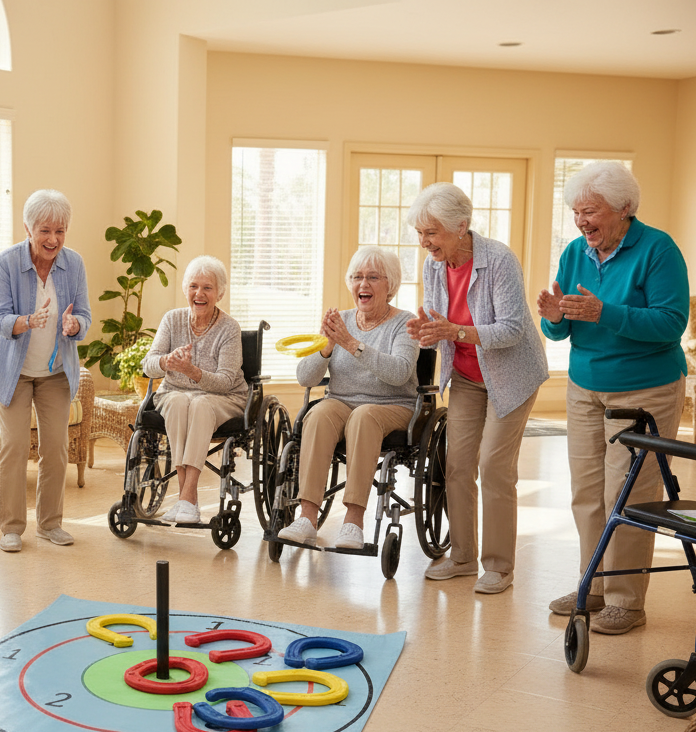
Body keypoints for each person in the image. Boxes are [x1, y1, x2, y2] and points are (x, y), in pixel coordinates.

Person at [539, 161, 689, 634]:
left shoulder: (658, 249)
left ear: (624, 209)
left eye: (591, 211)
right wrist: (553, 317)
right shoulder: (575, 252)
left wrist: (606, 312)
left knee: (628, 492)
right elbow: (559, 329)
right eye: (577, 212)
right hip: (585, 386)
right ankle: (595, 584)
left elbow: (670, 322)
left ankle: (627, 598)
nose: (582, 222)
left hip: (646, 387)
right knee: (586, 491)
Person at [405, 183, 549, 595]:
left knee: (494, 466)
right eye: (420, 233)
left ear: (461, 226)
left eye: (431, 233)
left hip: (511, 375)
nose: (424, 242)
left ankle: (500, 566)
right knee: (457, 463)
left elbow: (511, 329)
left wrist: (456, 330)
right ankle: (463, 557)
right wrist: (427, 332)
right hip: (467, 375)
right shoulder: (434, 266)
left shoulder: (499, 260)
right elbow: (438, 322)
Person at [276, 246, 418, 549]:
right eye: (357, 277)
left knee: (363, 416)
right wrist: (327, 346)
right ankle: (306, 517)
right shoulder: (340, 320)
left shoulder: (404, 323)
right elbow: (306, 378)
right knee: (319, 413)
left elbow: (400, 373)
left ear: (390, 285)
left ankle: (353, 522)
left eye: (373, 277)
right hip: (342, 401)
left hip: (392, 406)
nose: (362, 284)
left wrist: (352, 344)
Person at [0, 190, 92, 553]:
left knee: (56, 448)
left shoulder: (73, 264)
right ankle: (12, 527)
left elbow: (86, 318)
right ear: (27, 228)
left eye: (60, 231)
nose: (53, 240)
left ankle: (50, 524)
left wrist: (75, 325)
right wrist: (28, 321)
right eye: (45, 230)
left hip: (55, 371)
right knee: (13, 447)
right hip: (13, 370)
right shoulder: (7, 263)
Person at [141, 255, 247, 525]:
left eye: (207, 288)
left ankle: (187, 497)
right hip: (174, 394)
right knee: (178, 402)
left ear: (219, 293)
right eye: (193, 286)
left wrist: (192, 372)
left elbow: (225, 382)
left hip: (224, 398)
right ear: (186, 289)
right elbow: (148, 365)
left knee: (199, 404)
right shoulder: (172, 320)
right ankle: (186, 500)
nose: (199, 293)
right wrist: (167, 361)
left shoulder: (229, 328)